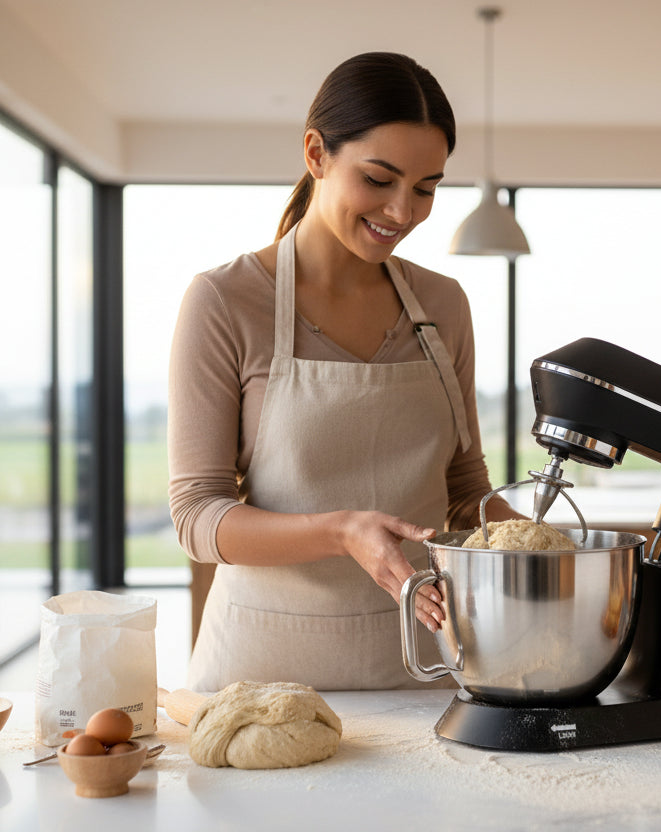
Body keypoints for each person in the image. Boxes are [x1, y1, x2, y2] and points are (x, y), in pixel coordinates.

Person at [168, 52, 520, 693]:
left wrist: (535, 542)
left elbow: (465, 489)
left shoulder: (443, 305)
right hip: (261, 678)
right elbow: (197, 516)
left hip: (422, 668)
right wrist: (341, 532)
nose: (403, 212)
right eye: (379, 179)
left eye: (426, 188)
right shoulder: (224, 300)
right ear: (316, 153)